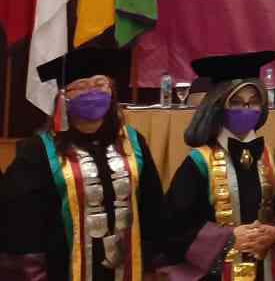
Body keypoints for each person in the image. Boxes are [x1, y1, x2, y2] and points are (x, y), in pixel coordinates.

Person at [0, 47, 164, 281]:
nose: (92, 91)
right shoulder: (38, 151)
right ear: (63, 98)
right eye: (81, 86)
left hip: (128, 268)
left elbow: (151, 206)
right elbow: (21, 222)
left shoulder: (133, 142)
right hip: (61, 269)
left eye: (100, 84)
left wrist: (151, 264)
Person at [162, 50, 275, 281]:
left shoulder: (272, 159)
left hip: (266, 270)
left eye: (253, 102)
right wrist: (226, 239)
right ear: (218, 106)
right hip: (215, 273)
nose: (246, 109)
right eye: (236, 102)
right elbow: (174, 228)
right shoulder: (199, 162)